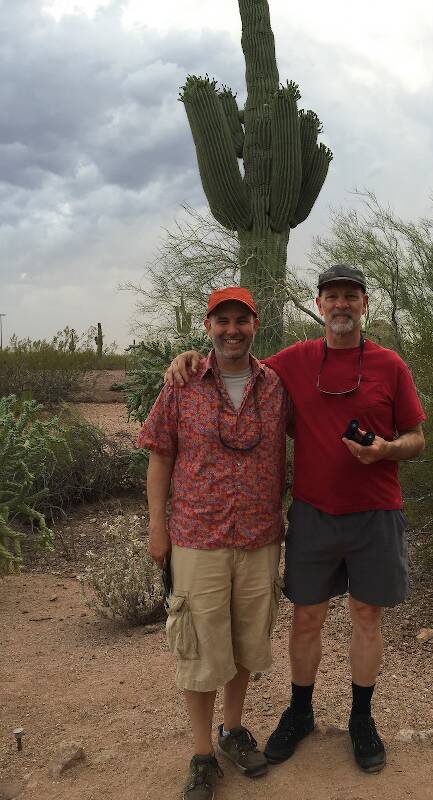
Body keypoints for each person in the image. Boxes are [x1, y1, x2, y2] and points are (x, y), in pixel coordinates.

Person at [165, 264, 426, 775]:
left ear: (364, 304)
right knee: (307, 617)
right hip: (312, 514)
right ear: (320, 304)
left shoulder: (390, 365)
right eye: (333, 297)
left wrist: (390, 449)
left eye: (351, 296)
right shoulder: (296, 360)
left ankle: (361, 719)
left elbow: (418, 438)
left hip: (376, 513)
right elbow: (235, 364)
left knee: (366, 618)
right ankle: (301, 711)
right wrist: (189, 358)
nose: (341, 305)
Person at [137, 287, 289, 800]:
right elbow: (159, 456)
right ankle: (202, 753)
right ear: (207, 327)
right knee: (199, 647)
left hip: (258, 535)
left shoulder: (275, 387)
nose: (231, 330)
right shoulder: (181, 384)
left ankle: (233, 730)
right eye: (221, 321)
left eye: (240, 321)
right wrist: (158, 528)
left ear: (255, 325)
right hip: (197, 536)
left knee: (247, 640)